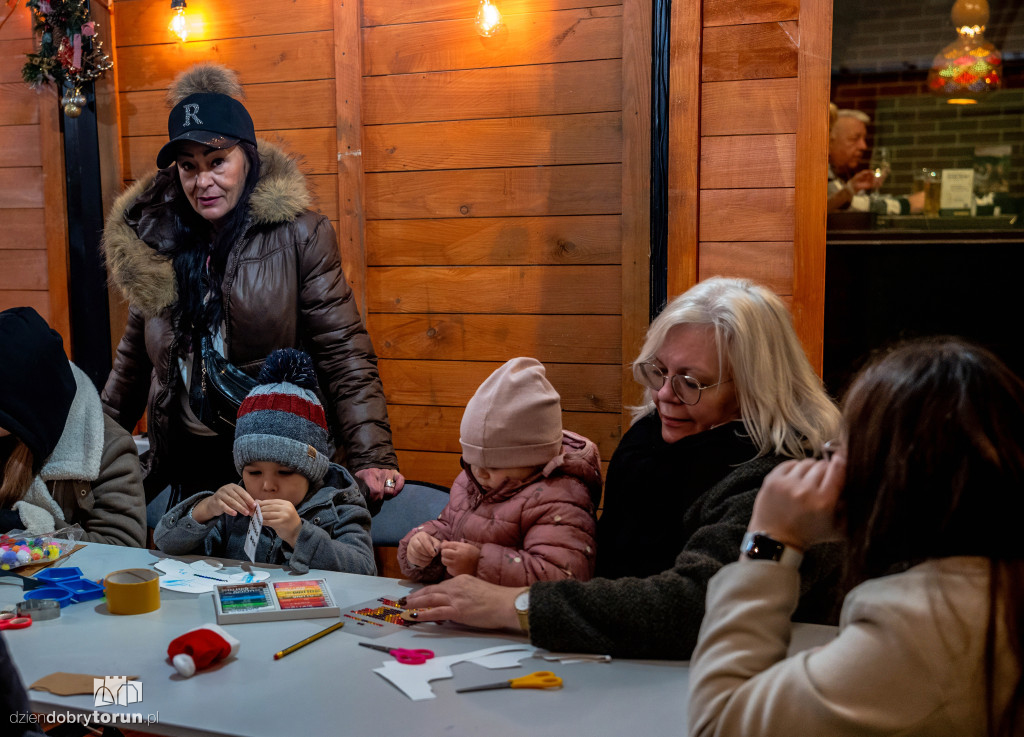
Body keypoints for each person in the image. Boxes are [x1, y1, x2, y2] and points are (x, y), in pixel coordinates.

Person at [402, 277, 844, 659]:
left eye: (691, 382)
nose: (663, 395)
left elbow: (696, 604)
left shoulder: (783, 475)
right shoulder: (652, 441)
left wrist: (514, 604)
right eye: (658, 371)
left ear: (755, 388)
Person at [100, 62, 403, 511]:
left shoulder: (300, 235)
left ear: (247, 157)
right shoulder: (156, 243)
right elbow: (131, 366)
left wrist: (371, 455)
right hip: (191, 470)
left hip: (274, 465)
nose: (203, 182)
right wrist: (90, 449)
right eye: (189, 167)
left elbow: (343, 353)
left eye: (217, 162)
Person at [688, 337, 1024, 737]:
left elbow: (719, 723)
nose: (830, 455)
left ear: (893, 472)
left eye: (848, 442)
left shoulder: (919, 628)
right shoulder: (994, 586)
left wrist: (770, 537)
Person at [154, 349, 375, 575]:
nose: (267, 485)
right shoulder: (236, 507)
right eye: (254, 473)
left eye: (285, 472)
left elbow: (364, 569)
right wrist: (205, 509)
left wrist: (298, 534)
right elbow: (166, 544)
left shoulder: (340, 502)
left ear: (313, 470)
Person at [397, 357, 601, 585]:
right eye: (473, 461)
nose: (480, 473)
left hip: (517, 619)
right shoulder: (471, 481)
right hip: (463, 611)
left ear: (537, 459)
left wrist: (479, 564)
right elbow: (448, 528)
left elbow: (562, 580)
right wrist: (422, 547)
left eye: (494, 466)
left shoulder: (560, 498)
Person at [0, 307, 146, 546]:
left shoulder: (107, 448)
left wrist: (28, 527)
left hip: (67, 581)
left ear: (24, 406)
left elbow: (122, 547)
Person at [827, 108, 924, 214]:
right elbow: (847, 205)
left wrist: (905, 199)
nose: (864, 146)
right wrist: (905, 204)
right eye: (855, 138)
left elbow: (863, 200)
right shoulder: (822, 171)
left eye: (864, 138)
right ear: (829, 140)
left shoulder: (844, 172)